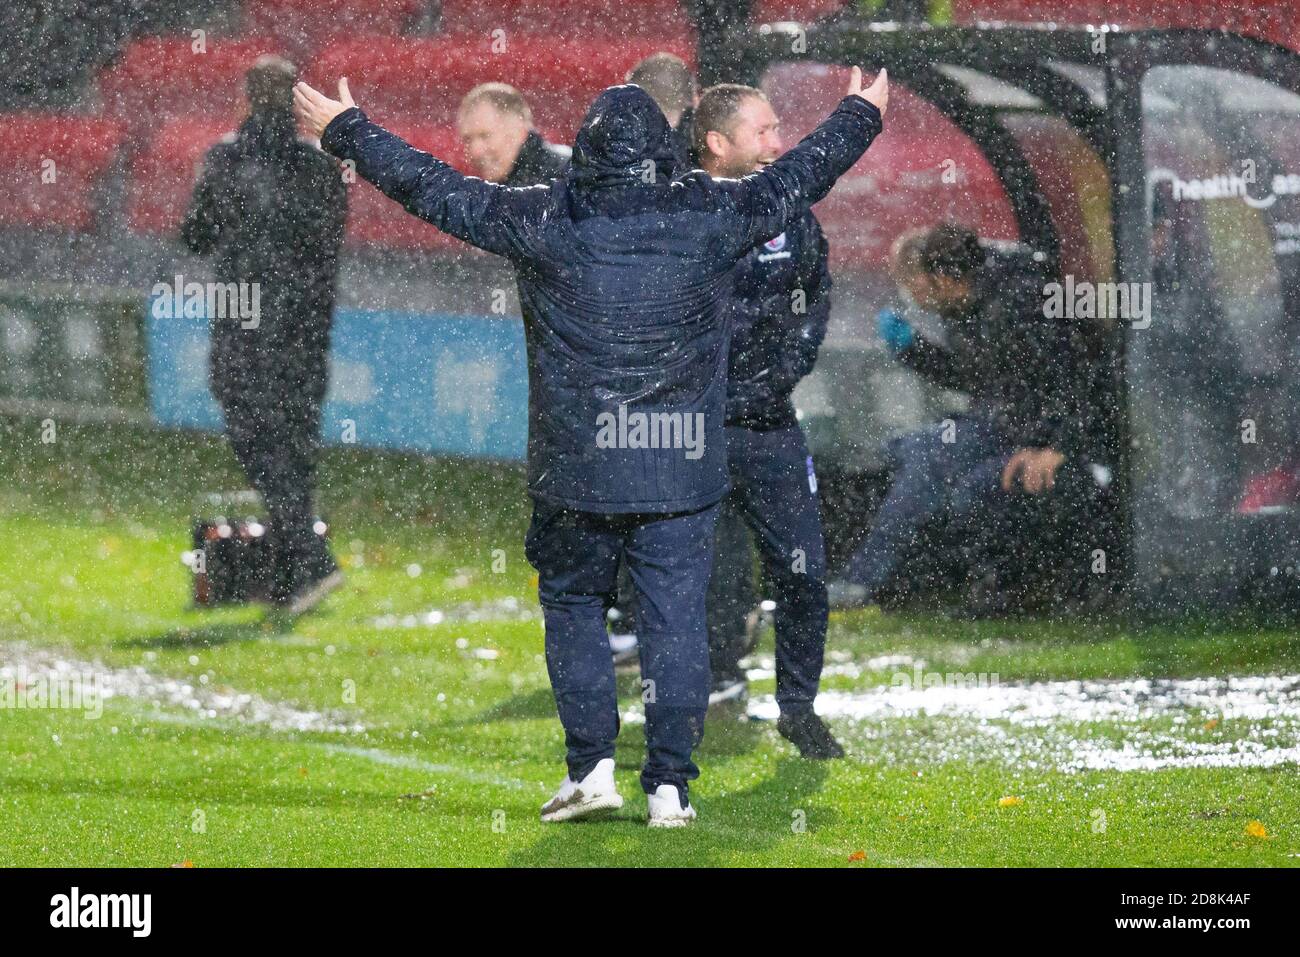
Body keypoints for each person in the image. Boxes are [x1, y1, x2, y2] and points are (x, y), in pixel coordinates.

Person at [294, 66, 887, 826]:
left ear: (589, 152)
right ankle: (670, 784)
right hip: (680, 465)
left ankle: (593, 770)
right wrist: (860, 114)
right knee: (677, 617)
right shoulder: (710, 213)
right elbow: (805, 173)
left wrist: (348, 130)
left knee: (575, 605)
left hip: (579, 468)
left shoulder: (546, 217)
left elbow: (431, 188)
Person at [692, 83, 842, 758]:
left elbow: (817, 290)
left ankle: (799, 707)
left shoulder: (790, 208)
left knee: (804, 571)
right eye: (763, 131)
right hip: (693, 432)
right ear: (718, 144)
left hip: (771, 426)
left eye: (779, 129)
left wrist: (786, 368)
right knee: (701, 576)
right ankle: (702, 696)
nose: (778, 143)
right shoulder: (681, 210)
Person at [829, 223, 1088, 611]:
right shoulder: (964, 305)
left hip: (1027, 432)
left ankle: (868, 581)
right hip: (1001, 423)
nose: (911, 297)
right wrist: (912, 349)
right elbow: (977, 378)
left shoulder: (1021, 299)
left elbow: (1071, 375)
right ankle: (873, 579)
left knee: (932, 463)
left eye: (912, 285)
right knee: (906, 451)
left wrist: (1052, 444)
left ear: (939, 277)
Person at [182, 55, 348, 615]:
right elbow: (327, 250)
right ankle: (296, 570)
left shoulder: (228, 159)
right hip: (305, 331)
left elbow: (196, 236)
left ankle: (307, 559)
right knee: (295, 448)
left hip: (244, 327)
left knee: (258, 442)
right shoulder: (322, 167)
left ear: (247, 98)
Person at [456, 82, 569, 185]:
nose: (475, 151)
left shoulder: (572, 177)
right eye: (467, 139)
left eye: (485, 136)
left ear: (520, 132)